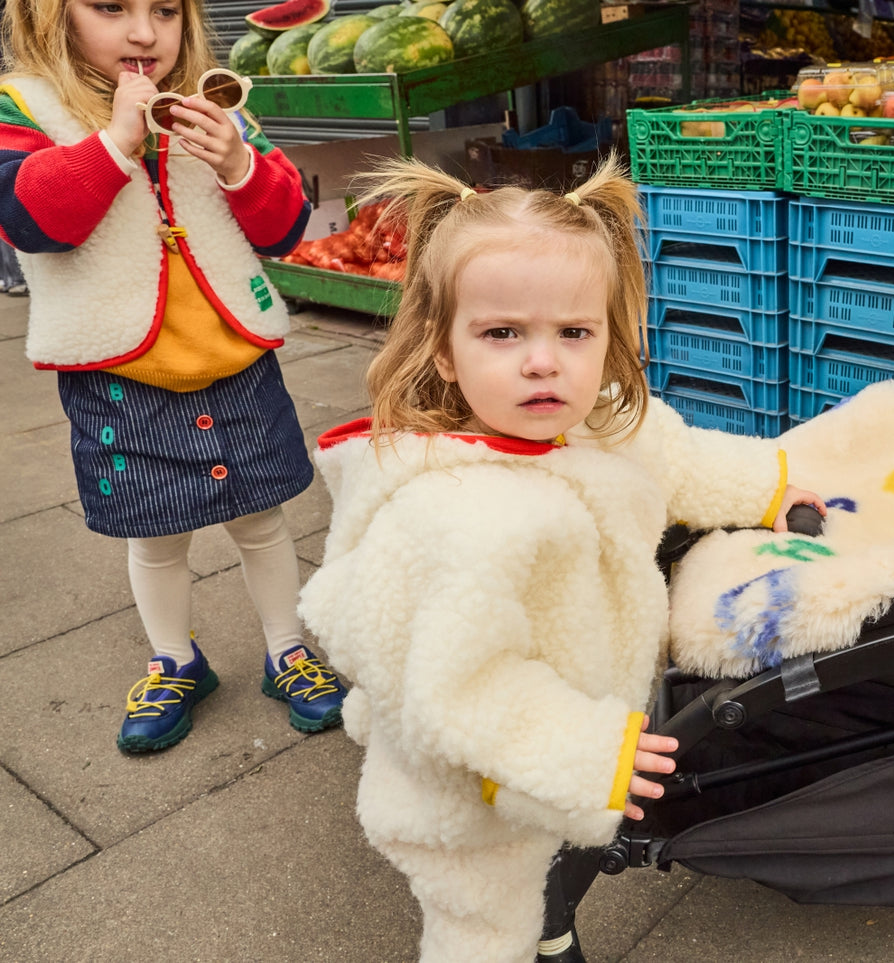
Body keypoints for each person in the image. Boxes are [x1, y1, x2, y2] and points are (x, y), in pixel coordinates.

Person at [297, 155, 825, 963]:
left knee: (561, 857)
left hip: (579, 723)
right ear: (443, 350)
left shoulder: (599, 417)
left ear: (608, 335)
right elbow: (452, 682)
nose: (543, 361)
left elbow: (680, 459)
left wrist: (768, 490)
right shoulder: (444, 516)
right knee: (482, 915)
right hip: (471, 780)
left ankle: (551, 921)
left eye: (573, 332)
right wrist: (578, 748)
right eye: (502, 333)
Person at [0, 0, 346, 752]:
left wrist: (237, 162)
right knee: (157, 534)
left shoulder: (216, 102)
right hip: (121, 374)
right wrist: (117, 141)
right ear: (49, 16)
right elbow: (29, 221)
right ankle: (175, 659)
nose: (143, 33)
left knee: (261, 519)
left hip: (233, 359)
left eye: (165, 9)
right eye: (110, 8)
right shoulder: (23, 105)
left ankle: (287, 649)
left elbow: (284, 224)